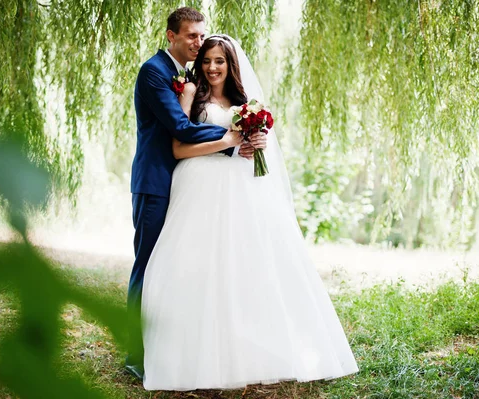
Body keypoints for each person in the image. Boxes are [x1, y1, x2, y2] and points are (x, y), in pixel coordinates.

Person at [141, 35, 359, 391]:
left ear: (231, 66)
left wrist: (257, 141)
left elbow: (258, 143)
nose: (212, 67)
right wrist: (227, 143)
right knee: (194, 265)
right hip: (198, 184)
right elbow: (179, 147)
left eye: (219, 62)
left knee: (246, 263)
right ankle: (190, 354)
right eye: (207, 60)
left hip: (242, 185)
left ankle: (247, 349)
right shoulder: (191, 94)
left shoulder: (245, 103)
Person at [127, 8, 264, 379]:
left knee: (179, 268)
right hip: (155, 182)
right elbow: (180, 127)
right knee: (149, 265)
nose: (198, 42)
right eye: (190, 36)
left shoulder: (185, 75)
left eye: (201, 36)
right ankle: (134, 354)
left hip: (186, 185)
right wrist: (232, 139)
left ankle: (176, 346)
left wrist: (246, 133)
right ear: (170, 36)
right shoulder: (154, 72)